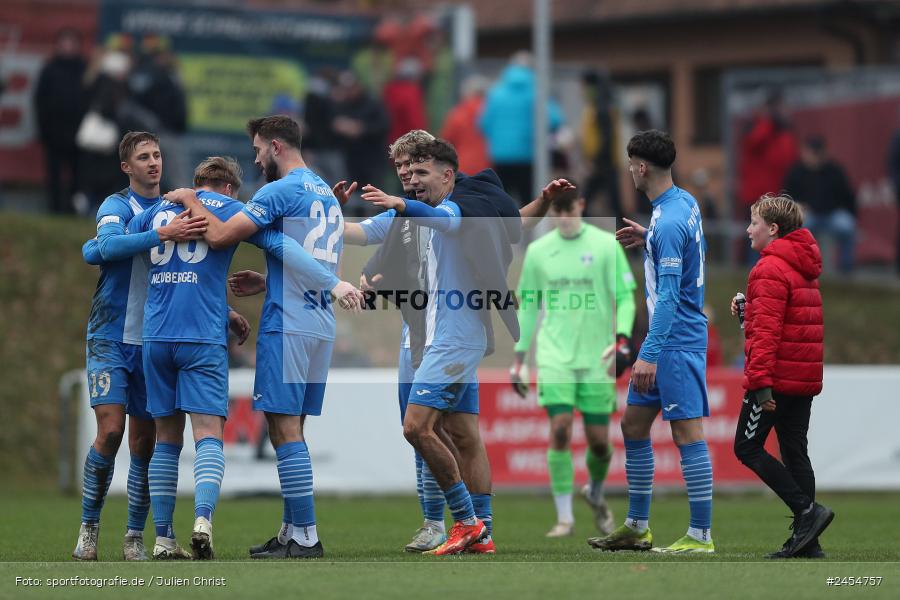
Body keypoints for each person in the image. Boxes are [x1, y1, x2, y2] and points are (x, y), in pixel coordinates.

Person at [165, 115, 363, 560]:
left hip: (287, 323)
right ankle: (291, 531)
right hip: (319, 322)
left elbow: (219, 236)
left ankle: (306, 537)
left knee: (284, 429)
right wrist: (270, 280)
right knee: (293, 428)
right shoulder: (325, 194)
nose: (255, 159)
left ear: (276, 147)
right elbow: (309, 258)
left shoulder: (278, 191)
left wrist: (191, 198)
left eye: (257, 149)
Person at [358, 138, 522, 555]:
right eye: (407, 172)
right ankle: (481, 532)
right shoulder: (420, 218)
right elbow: (365, 235)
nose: (412, 179)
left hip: (454, 340)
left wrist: (400, 204)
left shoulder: (454, 210)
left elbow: (446, 218)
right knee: (462, 433)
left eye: (421, 172)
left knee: (416, 428)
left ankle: (463, 521)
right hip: (435, 336)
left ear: (447, 176)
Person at [73, 131, 209, 561]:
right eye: (143, 157)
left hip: (154, 340)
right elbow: (106, 247)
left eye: (157, 155)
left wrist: (223, 312)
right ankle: (89, 527)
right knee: (111, 430)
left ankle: (134, 535)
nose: (153, 162)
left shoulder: (176, 206)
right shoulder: (117, 206)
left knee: (144, 442)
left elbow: (188, 272)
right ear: (126, 167)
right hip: (110, 335)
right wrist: (162, 234)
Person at [589, 130, 715, 553]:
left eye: (631, 165)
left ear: (641, 168)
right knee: (633, 424)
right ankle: (637, 526)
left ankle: (701, 536)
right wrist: (651, 241)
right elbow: (685, 255)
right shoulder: (680, 204)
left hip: (675, 342)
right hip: (669, 340)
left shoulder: (670, 221)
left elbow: (670, 297)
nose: (629, 172)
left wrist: (649, 353)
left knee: (687, 433)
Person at [511, 188, 636, 538]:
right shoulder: (538, 252)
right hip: (554, 356)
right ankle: (564, 518)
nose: (564, 217)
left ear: (581, 205)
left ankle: (594, 491)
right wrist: (519, 358)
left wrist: (622, 339)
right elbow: (528, 305)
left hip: (597, 357)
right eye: (557, 211)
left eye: (569, 209)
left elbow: (626, 297)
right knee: (561, 428)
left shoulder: (606, 245)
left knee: (599, 442)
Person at [731, 193, 833, 559]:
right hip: (801, 377)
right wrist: (749, 312)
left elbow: (767, 335)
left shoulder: (769, 268)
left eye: (754, 223)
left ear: (773, 229)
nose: (748, 230)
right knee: (795, 452)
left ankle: (807, 512)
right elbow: (783, 323)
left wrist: (760, 385)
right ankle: (809, 543)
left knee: (746, 447)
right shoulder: (803, 265)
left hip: (774, 380)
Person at [478, 51, 564, 207]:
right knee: (528, 202)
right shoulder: (536, 92)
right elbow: (554, 120)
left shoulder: (496, 92)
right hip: (527, 155)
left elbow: (483, 124)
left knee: (502, 201)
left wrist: (499, 140)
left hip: (500, 155)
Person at [782, 135, 856, 273]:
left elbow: (848, 196)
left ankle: (846, 269)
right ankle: (798, 266)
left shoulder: (834, 170)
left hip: (832, 214)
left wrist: (841, 209)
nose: (814, 157)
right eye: (811, 152)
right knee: (795, 228)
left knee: (847, 226)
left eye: (817, 153)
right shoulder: (796, 171)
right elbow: (786, 198)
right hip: (808, 215)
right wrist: (798, 207)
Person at [33, 28, 87, 214]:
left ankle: (73, 210)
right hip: (54, 133)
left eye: (72, 43)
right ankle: (54, 209)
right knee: (54, 175)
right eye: (64, 43)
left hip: (80, 133)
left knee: (78, 175)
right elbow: (39, 101)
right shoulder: (49, 69)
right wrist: (43, 129)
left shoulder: (85, 69)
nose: (68, 47)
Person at [440, 75, 491, 175]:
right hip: (488, 166)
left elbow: (446, 142)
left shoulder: (457, 114)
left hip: (462, 166)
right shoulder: (491, 113)